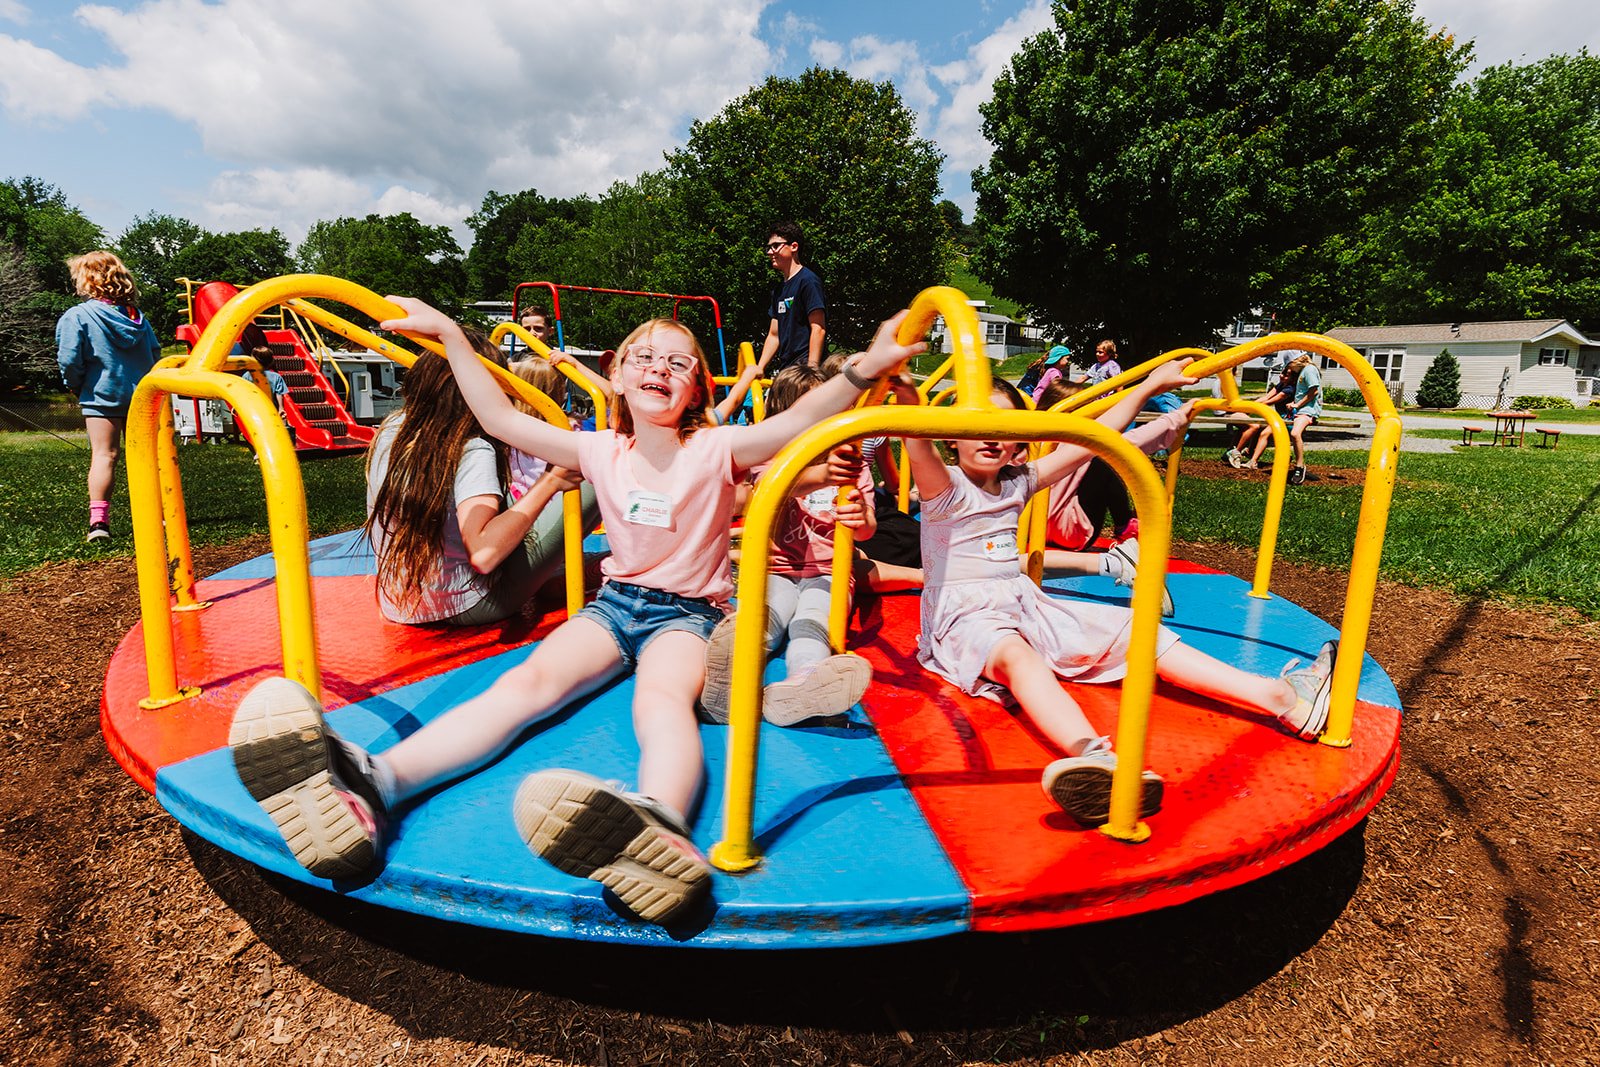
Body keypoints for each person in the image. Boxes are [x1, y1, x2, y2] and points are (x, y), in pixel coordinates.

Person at [228, 301, 924, 925]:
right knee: (523, 688)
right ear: (616, 373)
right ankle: (375, 783)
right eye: (644, 356)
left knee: (660, 706)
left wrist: (867, 364)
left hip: (685, 616)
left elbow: (804, 415)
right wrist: (448, 335)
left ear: (696, 391)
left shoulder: (717, 448)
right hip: (615, 605)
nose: (660, 366)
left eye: (679, 361)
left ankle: (661, 827)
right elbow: (498, 416)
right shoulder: (598, 448)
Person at [889, 364, 1337, 827]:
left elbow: (1091, 437)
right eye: (974, 425)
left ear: (1019, 438)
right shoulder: (944, 489)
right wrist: (905, 395)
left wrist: (1150, 387)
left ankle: (1281, 698)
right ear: (951, 435)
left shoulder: (1019, 481)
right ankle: (1094, 757)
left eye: (1002, 427)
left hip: (1024, 605)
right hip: (965, 619)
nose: (988, 437)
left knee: (1134, 628)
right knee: (1018, 658)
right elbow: (916, 443)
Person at [363, 328, 594, 627]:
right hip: (471, 604)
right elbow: (484, 554)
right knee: (595, 467)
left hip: (400, 603)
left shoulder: (393, 428)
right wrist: (550, 481)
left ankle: (550, 577)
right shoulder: (472, 447)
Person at [700, 364, 878, 725]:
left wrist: (861, 518)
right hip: (775, 567)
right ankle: (728, 678)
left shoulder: (850, 463)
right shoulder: (771, 459)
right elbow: (771, 487)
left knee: (811, 621)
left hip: (830, 570)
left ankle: (803, 684)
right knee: (769, 616)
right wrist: (820, 475)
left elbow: (867, 531)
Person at [1033, 377, 1188, 615]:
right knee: (1104, 458)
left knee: (1100, 458)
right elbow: (1136, 440)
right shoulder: (1083, 443)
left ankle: (1124, 530)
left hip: (1030, 530)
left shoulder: (1030, 440)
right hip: (1072, 532)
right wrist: (1177, 416)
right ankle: (1125, 526)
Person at [55, 250, 161, 543]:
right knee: (148, 458)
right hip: (144, 395)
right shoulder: (138, 318)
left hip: (102, 394)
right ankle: (159, 515)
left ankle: (98, 523)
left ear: (86, 280)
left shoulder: (77, 316)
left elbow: (69, 359)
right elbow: (154, 355)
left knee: (104, 455)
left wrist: (76, 385)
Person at [757, 221, 826, 374]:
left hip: (803, 368)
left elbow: (818, 329)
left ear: (794, 247)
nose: (769, 252)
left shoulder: (808, 281)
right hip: (786, 369)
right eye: (768, 247)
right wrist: (759, 368)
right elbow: (774, 335)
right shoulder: (779, 290)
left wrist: (811, 371)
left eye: (775, 246)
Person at [1226, 357, 1300, 471]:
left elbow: (1269, 402)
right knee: (1259, 429)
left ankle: (1253, 461)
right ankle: (1250, 452)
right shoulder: (1281, 385)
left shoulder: (1290, 389)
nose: (1281, 376)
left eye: (1286, 375)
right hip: (1280, 417)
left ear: (1293, 379)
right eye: (1283, 372)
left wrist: (1247, 410)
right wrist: (1246, 407)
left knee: (1264, 434)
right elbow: (1265, 397)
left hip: (1289, 419)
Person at [1283, 354, 1322, 484]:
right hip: (1302, 410)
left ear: (1294, 362)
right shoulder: (1304, 371)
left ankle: (1299, 467)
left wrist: (1297, 404)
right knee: (1287, 434)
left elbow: (1314, 391)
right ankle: (1294, 463)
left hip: (1308, 410)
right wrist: (1294, 402)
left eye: (1289, 366)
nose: (1289, 370)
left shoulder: (1309, 370)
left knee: (1295, 433)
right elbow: (1304, 392)